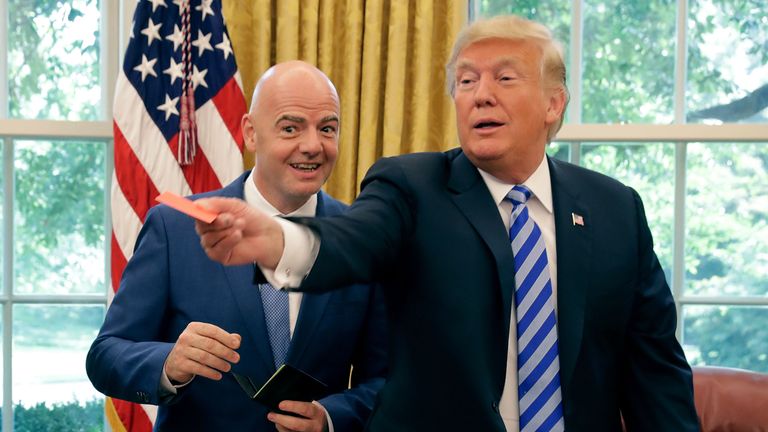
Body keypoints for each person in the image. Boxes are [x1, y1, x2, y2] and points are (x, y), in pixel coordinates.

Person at [194, 16, 699, 432]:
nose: (481, 94)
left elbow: (657, 376)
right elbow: (352, 240)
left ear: (553, 103)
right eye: (466, 80)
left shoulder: (616, 209)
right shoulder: (413, 187)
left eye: (504, 78)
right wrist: (281, 240)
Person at [86, 61, 387, 432]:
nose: (312, 146)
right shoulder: (175, 227)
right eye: (290, 128)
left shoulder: (364, 237)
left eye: (327, 128)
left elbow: (386, 380)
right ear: (250, 133)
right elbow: (105, 355)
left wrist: (331, 418)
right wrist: (168, 363)